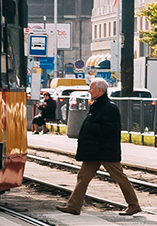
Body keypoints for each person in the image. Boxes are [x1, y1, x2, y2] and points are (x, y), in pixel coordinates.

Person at [56, 78, 142, 216]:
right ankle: (73, 206)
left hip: (105, 151)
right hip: (94, 151)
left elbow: (110, 129)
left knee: (119, 177)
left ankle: (134, 205)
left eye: (91, 88)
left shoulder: (109, 107)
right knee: (83, 177)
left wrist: (90, 127)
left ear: (99, 90)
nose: (89, 91)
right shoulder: (97, 105)